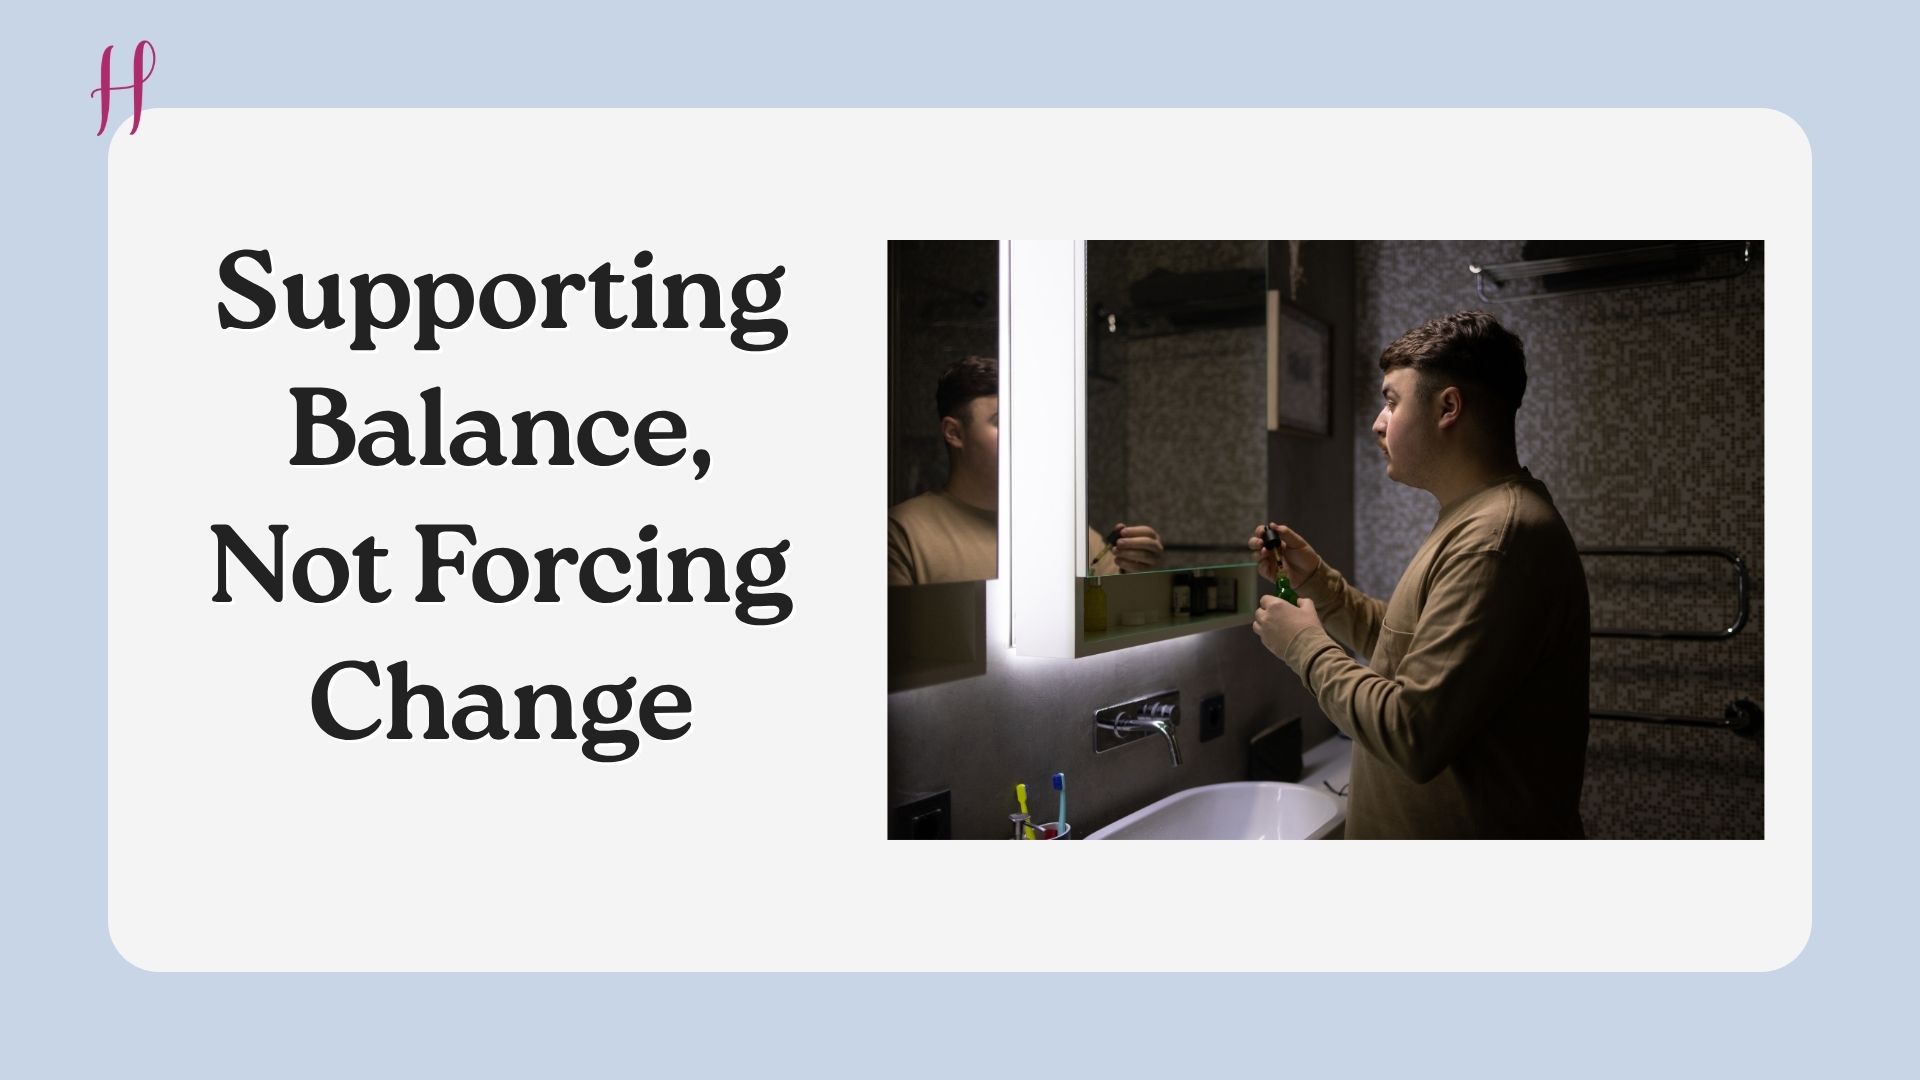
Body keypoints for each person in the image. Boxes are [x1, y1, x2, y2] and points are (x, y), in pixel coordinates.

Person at [1248, 311, 1590, 838]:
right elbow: (1408, 647)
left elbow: (1412, 733)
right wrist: (1319, 582)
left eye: (1391, 400)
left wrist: (1303, 646)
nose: (1378, 423)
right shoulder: (1475, 517)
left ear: (1448, 407)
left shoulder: (1496, 539)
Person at [888, 355, 1162, 585]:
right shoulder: (903, 532)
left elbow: (1108, 627)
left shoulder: (1069, 532)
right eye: (1002, 421)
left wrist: (1133, 573)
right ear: (954, 433)